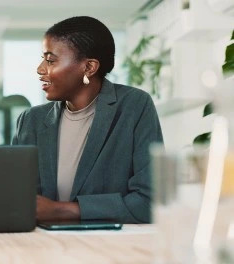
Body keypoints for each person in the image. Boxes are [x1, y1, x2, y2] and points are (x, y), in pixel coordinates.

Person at [12, 16, 163, 224]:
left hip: (111, 249)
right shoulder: (31, 120)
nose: (40, 69)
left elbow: (149, 202)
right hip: (44, 248)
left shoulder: (134, 106)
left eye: (50, 60)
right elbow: (16, 200)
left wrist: (63, 211)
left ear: (89, 67)